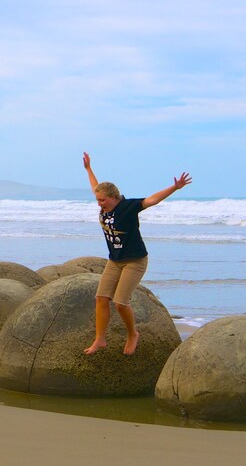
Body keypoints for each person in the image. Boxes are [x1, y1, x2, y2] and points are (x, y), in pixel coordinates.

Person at [82, 152, 191, 356]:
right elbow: (95, 186)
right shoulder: (104, 202)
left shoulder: (128, 207)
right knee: (101, 298)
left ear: (114, 198)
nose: (99, 204)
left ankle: (133, 334)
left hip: (135, 261)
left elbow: (151, 200)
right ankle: (100, 339)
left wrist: (175, 188)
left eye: (102, 200)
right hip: (115, 261)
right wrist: (88, 168)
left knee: (120, 302)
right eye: (97, 200)